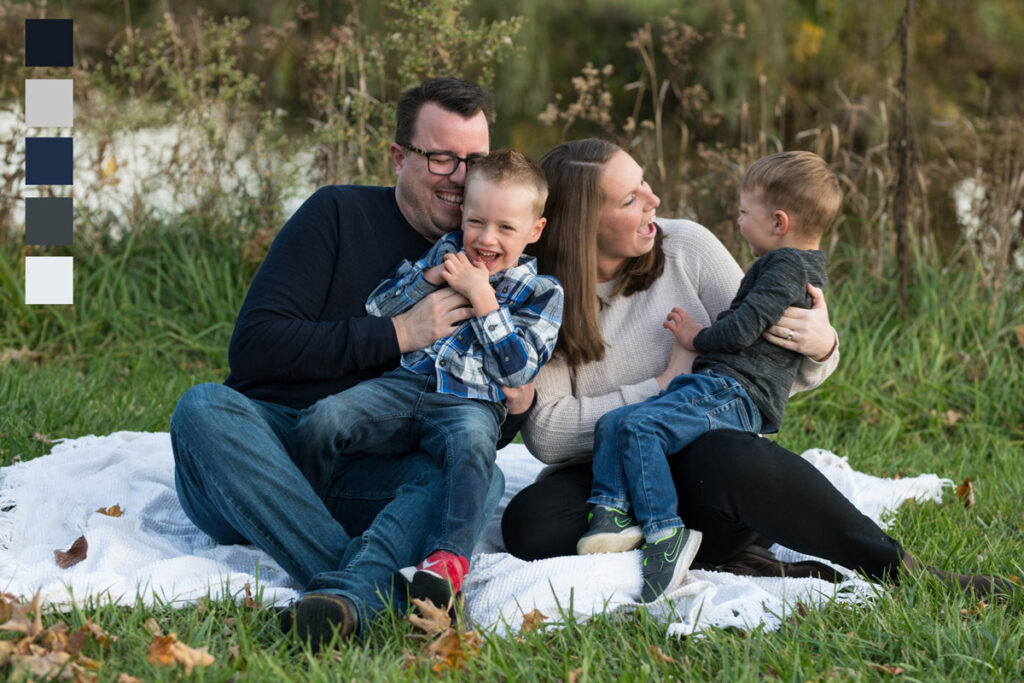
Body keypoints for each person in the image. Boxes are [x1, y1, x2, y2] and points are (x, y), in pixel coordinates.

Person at [501, 138, 1016, 599]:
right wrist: (662, 387)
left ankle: (901, 569)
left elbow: (766, 360)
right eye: (631, 198)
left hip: (707, 465)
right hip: (608, 472)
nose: (654, 200)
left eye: (646, 184)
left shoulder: (686, 247)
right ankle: (718, 554)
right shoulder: (540, 293)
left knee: (730, 457)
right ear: (584, 222)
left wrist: (821, 345)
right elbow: (549, 433)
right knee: (530, 524)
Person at [170, 77, 535, 650]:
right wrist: (395, 333)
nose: (461, 178)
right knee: (203, 408)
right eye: (442, 158)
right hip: (269, 461)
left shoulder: (496, 260)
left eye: (475, 160)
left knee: (477, 475)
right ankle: (371, 590)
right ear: (398, 156)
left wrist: (519, 402)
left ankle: (346, 603)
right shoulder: (336, 213)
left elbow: (477, 413)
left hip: (373, 479)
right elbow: (256, 346)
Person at [294, 149, 562, 612]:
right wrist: (427, 278)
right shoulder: (446, 253)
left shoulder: (542, 293)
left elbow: (519, 373)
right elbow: (377, 309)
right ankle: (308, 510)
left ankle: (446, 560)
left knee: (474, 454)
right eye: (476, 222)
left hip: (470, 404)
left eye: (505, 228)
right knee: (326, 417)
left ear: (534, 231)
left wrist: (484, 301)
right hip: (404, 384)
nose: (485, 238)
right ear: (463, 215)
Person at [577, 151, 841, 603]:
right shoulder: (786, 265)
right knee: (615, 422)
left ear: (778, 222)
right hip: (716, 386)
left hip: (736, 392)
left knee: (640, 426)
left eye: (744, 213)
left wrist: (694, 337)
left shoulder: (786, 268)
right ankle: (611, 514)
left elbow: (741, 331)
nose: (738, 221)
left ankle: (666, 535)